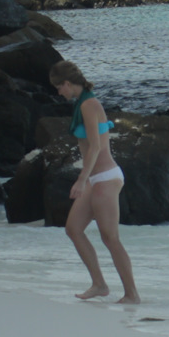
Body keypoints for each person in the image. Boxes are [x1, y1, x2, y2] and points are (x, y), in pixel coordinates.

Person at [49, 60, 141, 304]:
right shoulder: (82, 102)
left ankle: (132, 294)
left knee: (110, 238)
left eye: (59, 87)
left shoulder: (89, 104)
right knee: (73, 229)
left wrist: (81, 180)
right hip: (96, 178)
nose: (58, 92)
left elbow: (96, 146)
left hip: (106, 178)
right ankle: (99, 284)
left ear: (68, 83)